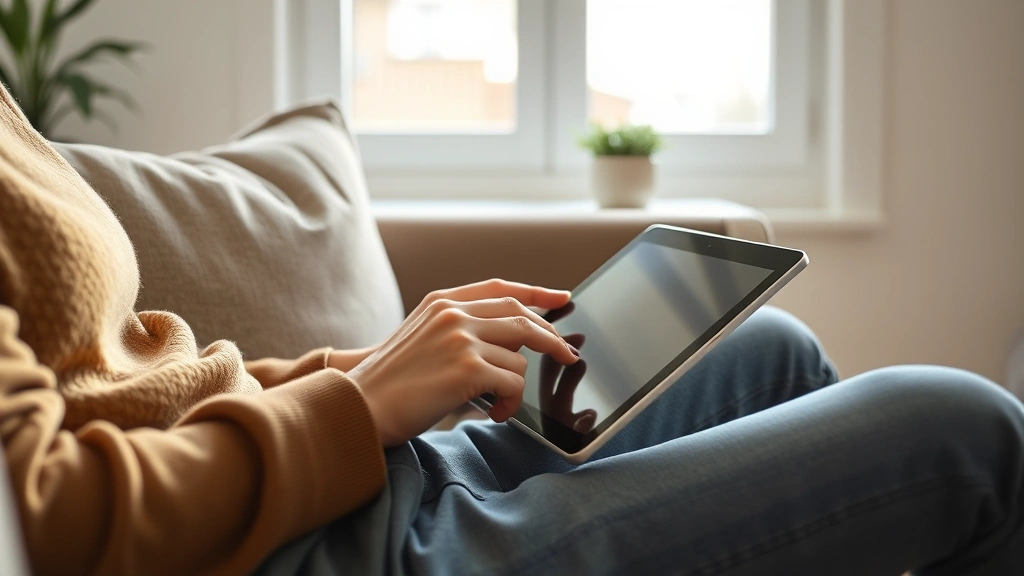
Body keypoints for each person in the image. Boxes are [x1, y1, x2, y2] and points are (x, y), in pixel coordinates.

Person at [0, 83, 1022, 576]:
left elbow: (117, 389)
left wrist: (367, 367)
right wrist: (354, 406)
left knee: (771, 354)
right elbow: (39, 515)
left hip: (327, 490)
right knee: (966, 428)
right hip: (303, 553)